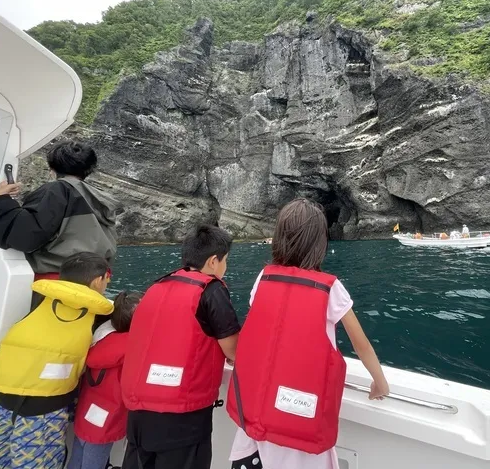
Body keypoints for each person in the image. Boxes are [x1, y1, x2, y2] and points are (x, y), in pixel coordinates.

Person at [227, 198, 390, 469]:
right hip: (300, 440)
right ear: (320, 242)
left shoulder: (264, 278)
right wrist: (380, 383)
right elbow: (362, 347)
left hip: (253, 435)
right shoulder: (330, 289)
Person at [120, 225, 240, 469]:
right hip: (182, 415)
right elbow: (233, 350)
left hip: (138, 413)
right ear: (214, 261)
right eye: (226, 260)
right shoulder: (211, 289)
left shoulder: (157, 287)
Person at [0, 253, 114, 469]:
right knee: (38, 463)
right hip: (44, 405)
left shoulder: (38, 299)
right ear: (98, 280)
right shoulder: (99, 315)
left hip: (4, 396)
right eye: (107, 280)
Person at [0, 140, 118, 308]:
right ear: (89, 169)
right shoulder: (101, 200)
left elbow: (27, 236)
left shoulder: (57, 190)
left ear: (52, 168)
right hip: (90, 288)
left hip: (56, 289)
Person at [69, 291, 143, 469]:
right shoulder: (132, 347)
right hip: (109, 417)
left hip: (87, 410)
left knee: (77, 458)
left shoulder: (101, 338)